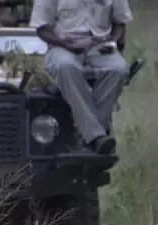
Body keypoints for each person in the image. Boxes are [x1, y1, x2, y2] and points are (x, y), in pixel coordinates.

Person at [29, 0, 132, 155]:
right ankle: (97, 137)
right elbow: (41, 29)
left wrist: (113, 41)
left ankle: (88, 138)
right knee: (65, 66)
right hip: (63, 46)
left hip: (100, 46)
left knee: (118, 68)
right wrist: (64, 43)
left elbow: (120, 22)